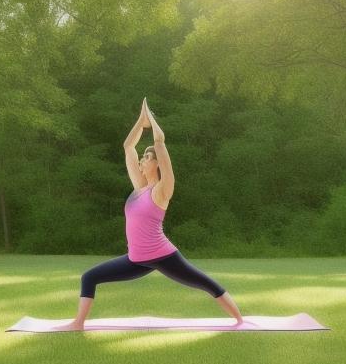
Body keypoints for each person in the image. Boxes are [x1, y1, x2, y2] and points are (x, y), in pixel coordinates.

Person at [57, 98, 244, 331]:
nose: (141, 160)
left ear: (155, 164)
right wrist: (141, 120)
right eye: (142, 157)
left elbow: (160, 142)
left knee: (206, 284)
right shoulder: (138, 189)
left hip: (162, 255)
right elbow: (128, 147)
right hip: (136, 259)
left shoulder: (162, 190)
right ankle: (78, 324)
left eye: (146, 158)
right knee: (89, 277)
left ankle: (241, 321)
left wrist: (151, 119)